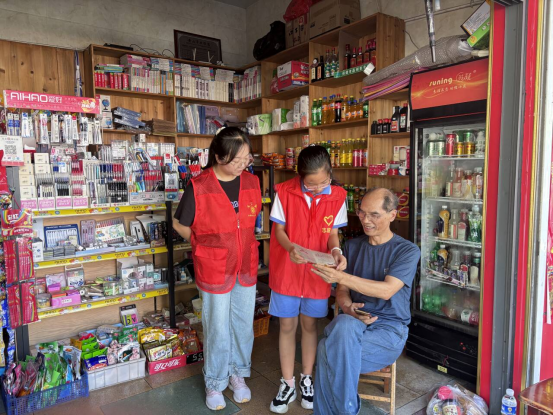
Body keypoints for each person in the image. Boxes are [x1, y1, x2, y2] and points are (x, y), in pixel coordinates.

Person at [173, 127, 261, 411]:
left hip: (245, 264)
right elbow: (179, 223)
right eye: (238, 160)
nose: (244, 164)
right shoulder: (200, 185)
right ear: (220, 157)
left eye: (247, 158)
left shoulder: (252, 182)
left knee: (243, 325)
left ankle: (238, 373)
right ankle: (214, 381)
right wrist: (201, 243)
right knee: (217, 327)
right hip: (214, 267)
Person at [311, 188, 421, 415]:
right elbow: (343, 291)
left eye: (374, 214)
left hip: (388, 331)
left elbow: (387, 290)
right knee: (344, 324)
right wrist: (347, 307)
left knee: (326, 349)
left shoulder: (406, 251)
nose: (365, 220)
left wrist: (340, 277)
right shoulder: (352, 247)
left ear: (392, 215)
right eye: (362, 212)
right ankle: (347, 410)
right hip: (353, 324)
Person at [268, 145, 348, 413]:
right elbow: (279, 230)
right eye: (311, 184)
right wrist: (291, 248)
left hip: (316, 273)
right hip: (287, 271)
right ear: (300, 176)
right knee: (287, 326)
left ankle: (306, 379)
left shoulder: (338, 196)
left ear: (330, 173)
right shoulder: (284, 192)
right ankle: (287, 383)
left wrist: (336, 252)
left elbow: (333, 235)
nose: (317, 188)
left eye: (323, 182)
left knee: (310, 326)